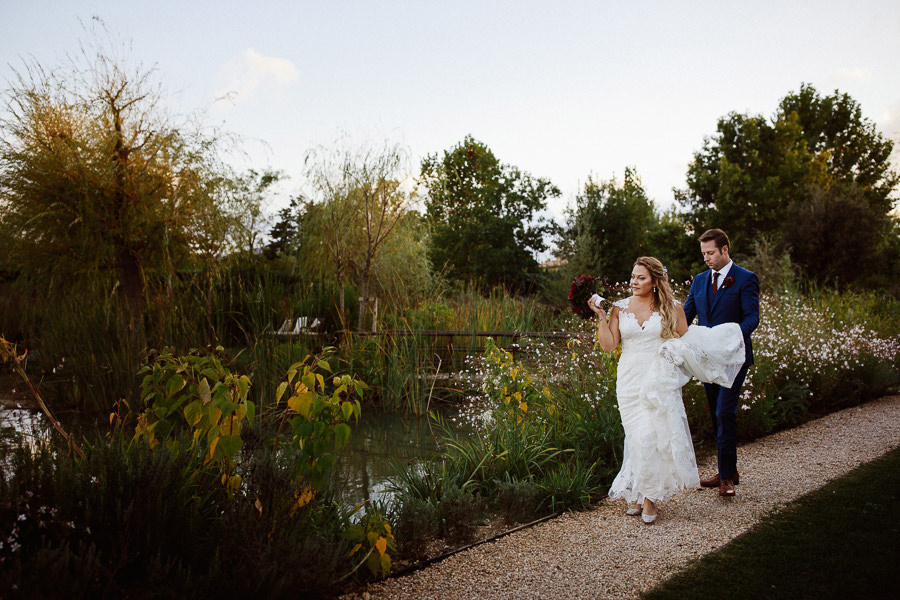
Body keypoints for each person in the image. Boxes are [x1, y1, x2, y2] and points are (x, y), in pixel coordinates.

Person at [589, 257, 695, 524]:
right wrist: (601, 317)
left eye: (641, 278)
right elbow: (609, 345)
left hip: (658, 381)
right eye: (633, 276)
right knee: (636, 437)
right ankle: (637, 490)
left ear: (655, 281)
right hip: (628, 381)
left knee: (651, 437)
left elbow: (685, 344)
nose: (634, 282)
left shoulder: (673, 308)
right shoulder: (619, 308)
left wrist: (669, 358)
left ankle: (649, 497)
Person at [682, 228, 760, 497]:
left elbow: (752, 318)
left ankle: (726, 478)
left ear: (725, 250)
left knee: (725, 412)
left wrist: (731, 337)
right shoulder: (700, 281)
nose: (707, 258)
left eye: (711, 252)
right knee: (717, 414)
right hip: (706, 359)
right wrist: (665, 329)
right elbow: (686, 315)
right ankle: (729, 469)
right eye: (703, 253)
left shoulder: (746, 279)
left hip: (734, 358)